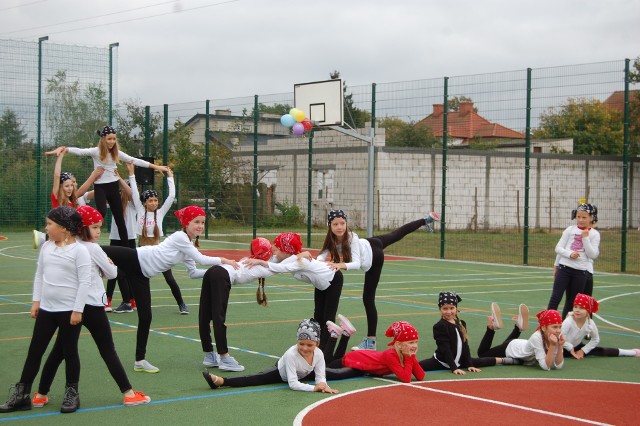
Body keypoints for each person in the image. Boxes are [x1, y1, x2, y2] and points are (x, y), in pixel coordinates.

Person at [30, 206, 150, 411]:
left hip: (71, 307)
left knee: (59, 351)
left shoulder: (66, 246)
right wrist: (108, 265)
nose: (98, 232)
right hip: (91, 305)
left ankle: (41, 394)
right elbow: (113, 274)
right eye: (94, 227)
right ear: (82, 228)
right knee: (107, 350)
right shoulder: (93, 249)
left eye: (99, 228)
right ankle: (129, 393)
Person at [100, 205, 239, 373]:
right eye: (196, 222)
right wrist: (224, 261)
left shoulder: (188, 246)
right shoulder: (180, 237)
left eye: (203, 222)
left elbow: (193, 273)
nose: (200, 226)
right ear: (186, 223)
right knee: (98, 250)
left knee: (146, 317)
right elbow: (201, 259)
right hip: (136, 258)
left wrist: (216, 272)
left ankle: (139, 361)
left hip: (142, 275)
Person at [0, 206, 91, 413]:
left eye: (50, 224)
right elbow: (40, 275)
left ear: (65, 228)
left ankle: (72, 394)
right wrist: (36, 301)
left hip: (69, 312)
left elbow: (85, 282)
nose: (46, 228)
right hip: (47, 311)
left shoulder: (80, 251)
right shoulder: (47, 247)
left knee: (70, 352)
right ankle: (22, 396)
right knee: (35, 352)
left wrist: (77, 310)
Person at [317, 209, 440, 351]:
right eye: (335, 224)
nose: (340, 227)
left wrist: (339, 265)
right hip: (371, 242)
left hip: (374, 257)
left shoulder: (352, 238)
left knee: (368, 299)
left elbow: (356, 264)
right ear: (330, 226)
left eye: (342, 223)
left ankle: (371, 342)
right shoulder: (330, 241)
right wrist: (316, 263)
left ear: (346, 223)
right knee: (397, 234)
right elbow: (321, 256)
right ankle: (426, 220)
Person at [45, 125, 170, 245]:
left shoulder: (117, 153)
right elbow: (80, 151)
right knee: (101, 213)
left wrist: (155, 166)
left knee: (120, 218)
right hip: (100, 187)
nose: (111, 141)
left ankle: (127, 248)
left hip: (113, 186)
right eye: (109, 139)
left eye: (114, 139)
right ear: (103, 139)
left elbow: (134, 160)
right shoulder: (96, 151)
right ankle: (85, 237)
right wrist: (65, 149)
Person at [200, 237, 276, 372]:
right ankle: (224, 357)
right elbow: (279, 266)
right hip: (221, 275)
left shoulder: (247, 260)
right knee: (218, 317)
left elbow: (272, 261)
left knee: (204, 316)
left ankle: (209, 355)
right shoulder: (263, 269)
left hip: (212, 271)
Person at [202, 319, 338, 394]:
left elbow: (320, 376)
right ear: (297, 341)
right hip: (281, 372)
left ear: (317, 344)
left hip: (303, 373)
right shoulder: (292, 354)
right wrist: (314, 388)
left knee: (338, 373)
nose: (304, 348)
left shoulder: (318, 354)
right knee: (254, 379)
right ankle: (221, 381)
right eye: (301, 343)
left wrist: (323, 384)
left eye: (309, 345)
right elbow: (293, 384)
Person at [261, 232, 344, 349]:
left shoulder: (300, 261)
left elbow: (280, 267)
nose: (274, 254)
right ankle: (316, 344)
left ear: (286, 251)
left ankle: (325, 349)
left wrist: (260, 262)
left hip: (333, 279)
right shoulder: (291, 258)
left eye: (276, 251)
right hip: (321, 283)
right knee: (318, 314)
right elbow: (272, 261)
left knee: (328, 317)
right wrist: (256, 260)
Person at [127, 162, 188, 314]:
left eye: (155, 200)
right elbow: (134, 191)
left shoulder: (159, 213)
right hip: (141, 251)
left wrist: (170, 177)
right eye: (150, 200)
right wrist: (131, 173)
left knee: (170, 279)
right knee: (139, 279)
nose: (153, 203)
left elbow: (172, 196)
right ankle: (133, 303)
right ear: (145, 202)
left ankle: (181, 304)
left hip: (158, 251)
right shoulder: (140, 211)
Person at [418, 292, 523, 374]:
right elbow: (445, 349)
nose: (448, 312)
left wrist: (469, 364)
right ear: (440, 308)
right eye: (445, 308)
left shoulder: (461, 323)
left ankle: (511, 360)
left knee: (482, 361)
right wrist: (454, 368)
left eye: (452, 308)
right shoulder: (440, 326)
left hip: (461, 360)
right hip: (443, 361)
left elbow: (465, 346)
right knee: (419, 366)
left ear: (456, 308)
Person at [32, 152, 104, 248]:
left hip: (71, 236)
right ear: (61, 187)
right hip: (63, 236)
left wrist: (96, 178)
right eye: (67, 186)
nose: (70, 188)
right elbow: (57, 175)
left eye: (71, 185)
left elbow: (83, 191)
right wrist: (60, 157)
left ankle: (44, 239)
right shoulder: (57, 199)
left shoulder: (74, 200)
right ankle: (45, 239)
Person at [323, 320, 425, 383]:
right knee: (326, 365)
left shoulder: (405, 354)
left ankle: (345, 334)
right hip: (357, 359)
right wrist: (408, 357)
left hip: (362, 361)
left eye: (416, 342)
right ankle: (334, 335)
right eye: (411, 343)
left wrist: (411, 357)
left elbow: (421, 376)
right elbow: (406, 378)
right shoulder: (391, 355)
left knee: (334, 362)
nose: (415, 346)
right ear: (399, 344)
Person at [548, 203, 600, 319]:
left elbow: (592, 255)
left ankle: (566, 327)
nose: (580, 220)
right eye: (578, 217)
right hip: (565, 268)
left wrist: (585, 238)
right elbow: (559, 248)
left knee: (572, 302)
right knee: (555, 297)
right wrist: (568, 255)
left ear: (591, 218)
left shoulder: (594, 234)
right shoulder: (570, 230)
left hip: (581, 272)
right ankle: (547, 322)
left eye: (584, 217)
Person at [477, 304, 565, 371]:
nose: (558, 330)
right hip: (511, 349)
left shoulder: (557, 336)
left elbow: (558, 365)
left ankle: (518, 328)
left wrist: (560, 346)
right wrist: (553, 346)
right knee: (482, 354)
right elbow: (546, 366)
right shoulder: (537, 337)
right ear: (543, 327)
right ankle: (492, 328)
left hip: (517, 344)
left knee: (505, 343)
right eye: (554, 327)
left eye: (559, 327)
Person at [562, 293, 639, 359]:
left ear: (588, 311)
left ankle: (632, 352)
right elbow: (560, 338)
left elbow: (595, 339)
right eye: (575, 307)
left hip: (576, 347)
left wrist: (583, 351)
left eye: (581, 308)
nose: (577, 310)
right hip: (560, 347)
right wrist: (570, 348)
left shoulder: (590, 323)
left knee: (600, 350)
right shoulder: (568, 322)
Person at [105, 172, 137, 313]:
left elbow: (131, 193)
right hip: (115, 238)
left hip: (129, 239)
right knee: (112, 269)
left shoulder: (134, 203)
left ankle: (132, 299)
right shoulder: (115, 201)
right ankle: (108, 299)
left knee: (130, 271)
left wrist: (120, 179)